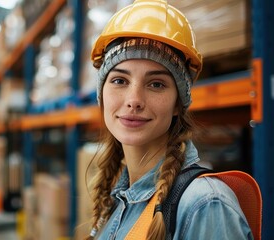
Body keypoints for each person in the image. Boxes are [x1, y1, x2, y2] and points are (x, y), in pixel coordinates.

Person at [86, 0, 255, 239]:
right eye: (119, 81)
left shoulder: (205, 205)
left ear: (178, 103)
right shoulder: (119, 200)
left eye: (156, 84)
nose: (134, 100)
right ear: (101, 93)